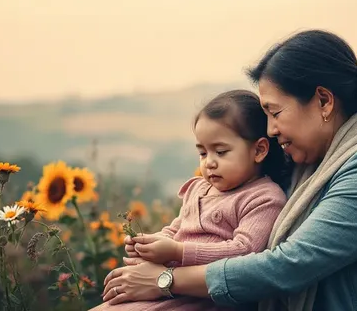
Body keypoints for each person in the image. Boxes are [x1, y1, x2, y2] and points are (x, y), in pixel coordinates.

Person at [101, 29, 357, 311]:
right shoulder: (310, 162)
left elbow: (289, 264)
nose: (270, 128)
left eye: (275, 112)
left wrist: (165, 281)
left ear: (323, 101)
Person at [91, 89, 288, 310]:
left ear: (259, 150)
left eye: (221, 152)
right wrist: (150, 243)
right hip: (163, 289)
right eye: (203, 153)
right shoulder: (199, 189)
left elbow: (244, 253)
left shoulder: (264, 198)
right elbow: (177, 229)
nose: (209, 163)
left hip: (200, 297)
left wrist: (177, 252)